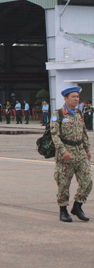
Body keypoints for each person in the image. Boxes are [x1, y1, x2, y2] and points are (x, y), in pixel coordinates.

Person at [51, 86, 92, 222]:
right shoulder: (58, 114)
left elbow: (84, 133)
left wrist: (87, 150)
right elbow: (55, 135)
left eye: (77, 97)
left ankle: (77, 206)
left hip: (79, 152)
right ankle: (63, 210)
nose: (76, 99)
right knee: (64, 184)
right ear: (65, 98)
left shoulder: (79, 113)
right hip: (66, 153)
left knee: (87, 181)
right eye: (73, 97)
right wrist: (63, 151)